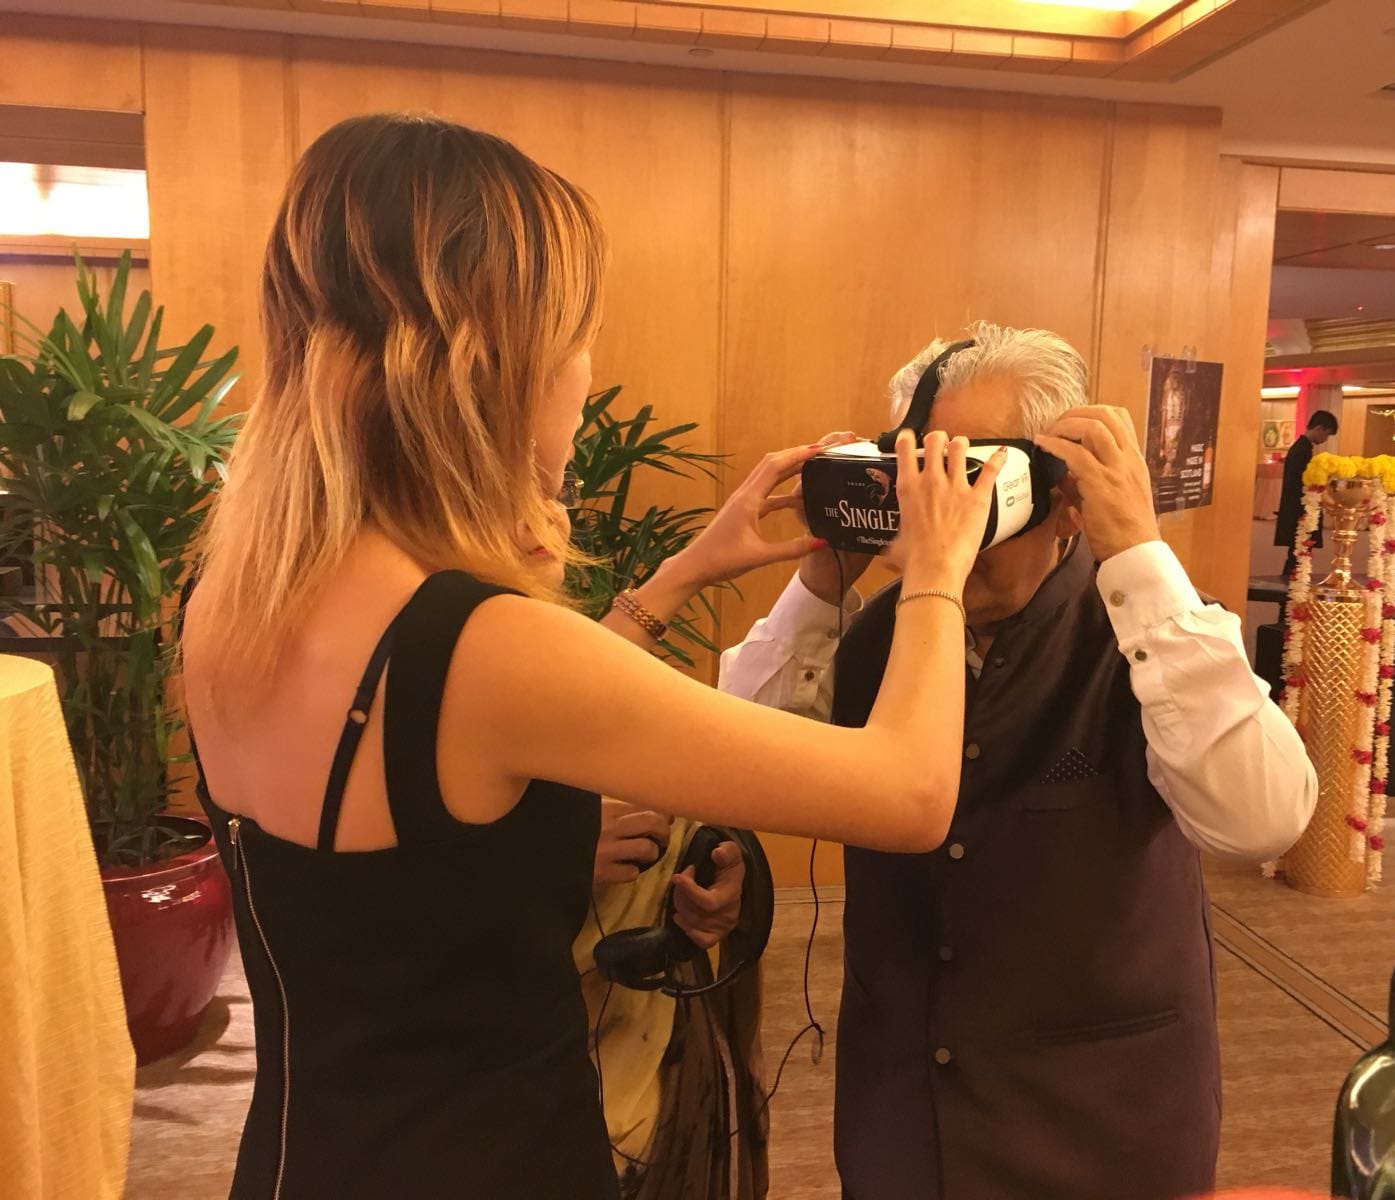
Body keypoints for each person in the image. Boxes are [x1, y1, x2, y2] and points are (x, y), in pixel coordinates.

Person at [179, 113, 1005, 1200]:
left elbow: (452, 736)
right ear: (500, 362)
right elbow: (908, 791)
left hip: (304, 1156)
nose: (582, 372)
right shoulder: (488, 645)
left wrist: (685, 575)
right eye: (577, 339)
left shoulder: (235, 593)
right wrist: (937, 565)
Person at [722, 324, 1318, 1200]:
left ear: (1062, 498)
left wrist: (1140, 553)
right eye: (918, 479)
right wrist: (824, 574)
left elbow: (1262, 820)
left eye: (968, 482)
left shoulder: (1152, 635)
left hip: (1099, 1120)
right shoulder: (873, 633)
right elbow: (739, 765)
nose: (943, 520)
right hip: (903, 1113)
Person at [577, 803, 765, 1200]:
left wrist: (718, 862)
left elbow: (702, 811)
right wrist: (551, 854)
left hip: (666, 1032)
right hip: (495, 1053)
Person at [1275, 409, 1339, 576]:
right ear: (1319, 428)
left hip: (1298, 507)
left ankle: (1293, 582)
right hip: (1300, 509)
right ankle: (1291, 585)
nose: (1326, 439)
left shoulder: (1302, 447)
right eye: (1327, 434)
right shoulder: (1302, 451)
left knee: (1297, 553)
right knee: (1298, 552)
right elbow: (1302, 483)